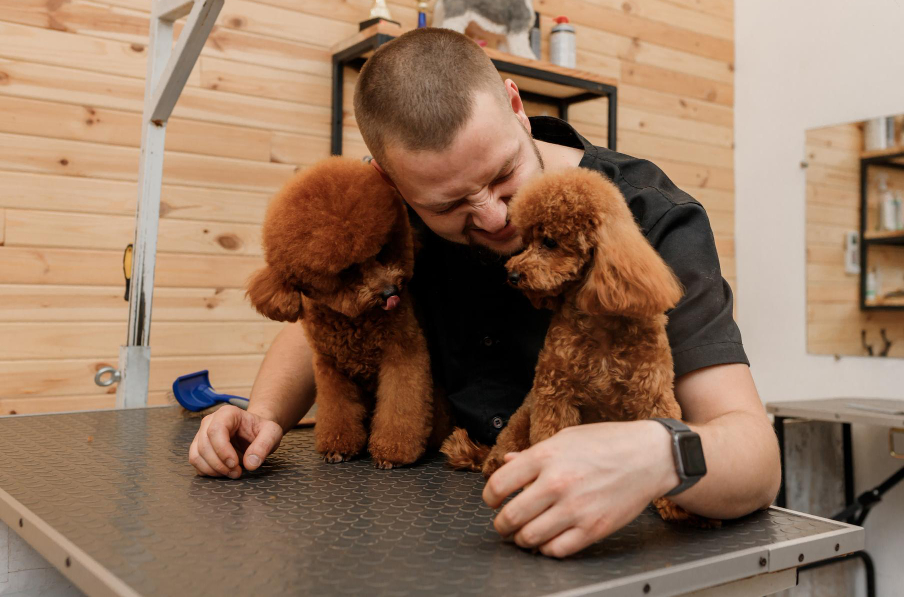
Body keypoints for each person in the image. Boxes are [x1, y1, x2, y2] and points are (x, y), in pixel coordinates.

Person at [188, 28, 780, 558]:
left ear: (516, 107)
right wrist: (262, 415)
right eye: (450, 205)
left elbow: (755, 458)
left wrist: (654, 456)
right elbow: (321, 323)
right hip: (438, 528)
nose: (495, 219)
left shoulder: (654, 218)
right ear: (390, 181)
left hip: (623, 543)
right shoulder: (392, 214)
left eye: (503, 176)